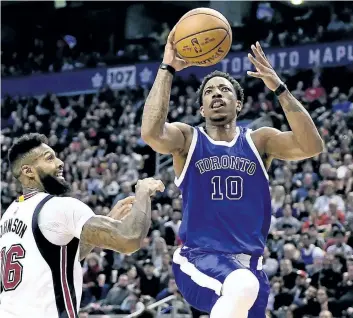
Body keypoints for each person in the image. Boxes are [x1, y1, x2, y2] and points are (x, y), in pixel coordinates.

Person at [141, 26, 324, 318]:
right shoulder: (189, 139)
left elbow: (312, 145)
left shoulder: (259, 140)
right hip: (200, 258)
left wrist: (279, 87)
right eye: (209, 91)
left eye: (224, 89)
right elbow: (151, 133)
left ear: (238, 104)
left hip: (252, 267)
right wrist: (167, 68)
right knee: (240, 285)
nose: (216, 94)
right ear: (201, 108)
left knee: (245, 286)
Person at [0, 133, 165, 318]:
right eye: (49, 158)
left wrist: (100, 228)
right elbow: (130, 240)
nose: (60, 162)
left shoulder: (9, 214)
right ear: (28, 171)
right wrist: (143, 194)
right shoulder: (58, 206)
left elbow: (60, 260)